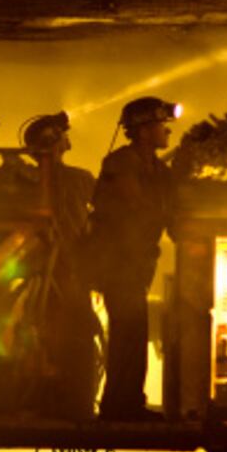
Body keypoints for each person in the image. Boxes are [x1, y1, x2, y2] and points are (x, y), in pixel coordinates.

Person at [89, 96, 180, 421]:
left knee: (135, 334)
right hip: (117, 263)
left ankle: (125, 404)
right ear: (142, 131)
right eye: (160, 126)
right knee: (128, 334)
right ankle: (119, 406)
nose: (166, 132)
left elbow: (169, 206)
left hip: (136, 264)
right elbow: (137, 204)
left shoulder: (157, 168)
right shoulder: (120, 163)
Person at [21, 111, 101, 418]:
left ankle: (37, 399)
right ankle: (76, 403)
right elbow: (105, 212)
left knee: (42, 333)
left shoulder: (22, 181)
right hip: (70, 272)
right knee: (79, 332)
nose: (68, 140)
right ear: (56, 143)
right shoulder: (80, 179)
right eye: (63, 135)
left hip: (33, 274)